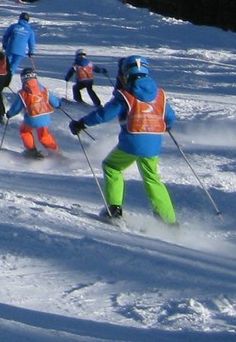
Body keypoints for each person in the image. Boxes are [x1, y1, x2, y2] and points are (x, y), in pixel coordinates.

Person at [71, 56, 178, 224]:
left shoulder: (126, 94)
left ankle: (114, 210)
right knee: (152, 178)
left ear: (126, 73)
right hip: (154, 141)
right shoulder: (159, 94)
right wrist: (168, 125)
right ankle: (168, 220)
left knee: (112, 166)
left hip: (133, 140)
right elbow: (170, 117)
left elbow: (104, 115)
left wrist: (81, 123)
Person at [5, 65, 61, 156]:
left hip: (32, 117)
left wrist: (9, 114)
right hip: (45, 116)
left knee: (25, 131)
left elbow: (16, 108)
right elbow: (54, 102)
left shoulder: (23, 93)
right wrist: (59, 105)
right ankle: (55, 152)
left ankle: (31, 151)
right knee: (44, 135)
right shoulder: (43, 89)